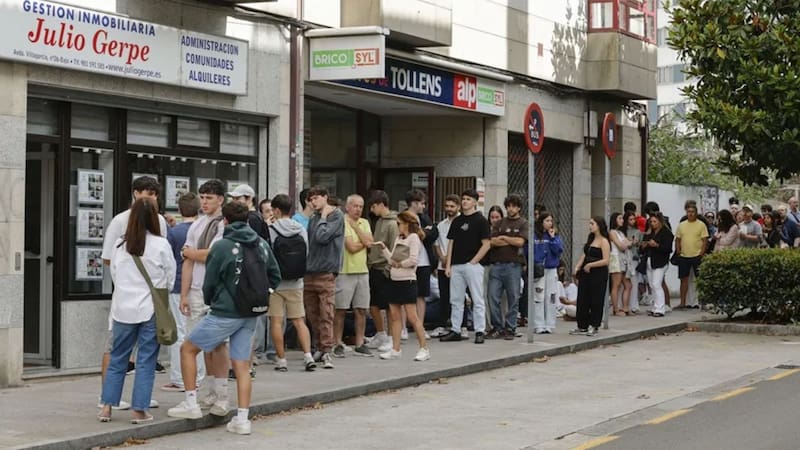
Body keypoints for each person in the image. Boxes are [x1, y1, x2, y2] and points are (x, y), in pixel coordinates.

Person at [167, 202, 281, 435]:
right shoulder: (260, 243)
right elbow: (275, 275)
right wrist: (262, 293)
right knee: (241, 365)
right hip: (251, 312)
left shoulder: (221, 245)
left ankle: (191, 403)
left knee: (188, 349)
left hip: (225, 312)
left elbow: (210, 282)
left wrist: (213, 299)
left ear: (225, 221)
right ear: (248, 219)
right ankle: (242, 419)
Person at [98, 198, 175, 424]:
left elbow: (114, 273)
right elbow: (170, 278)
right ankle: (139, 409)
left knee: (117, 358)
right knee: (146, 359)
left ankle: (106, 407)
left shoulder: (120, 245)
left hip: (122, 308)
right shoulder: (160, 245)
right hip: (150, 308)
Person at [180, 179, 229, 414]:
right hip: (197, 291)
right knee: (200, 343)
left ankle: (222, 395)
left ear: (220, 199)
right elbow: (188, 259)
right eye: (202, 197)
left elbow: (215, 254)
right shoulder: (197, 225)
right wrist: (184, 294)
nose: (205, 201)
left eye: (209, 197)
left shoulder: (224, 224)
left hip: (217, 291)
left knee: (218, 344)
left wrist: (192, 253)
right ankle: (208, 391)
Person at [268, 194, 317, 371]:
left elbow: (268, 255)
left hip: (276, 283)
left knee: (276, 322)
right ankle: (308, 356)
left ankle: (281, 360)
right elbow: (306, 252)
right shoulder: (300, 228)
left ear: (277, 210)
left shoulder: (271, 229)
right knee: (298, 321)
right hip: (297, 282)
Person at [373, 211, 430, 361]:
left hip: (407, 281)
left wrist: (400, 264)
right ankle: (395, 349)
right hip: (394, 280)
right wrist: (383, 248)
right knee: (395, 316)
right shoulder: (399, 238)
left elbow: (413, 260)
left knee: (412, 317)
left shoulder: (414, 238)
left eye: (399, 223)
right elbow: (391, 259)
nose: (397, 226)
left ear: (406, 224)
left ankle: (424, 348)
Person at [162, 193, 205, 393]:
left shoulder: (174, 233)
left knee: (179, 332)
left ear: (179, 210)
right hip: (199, 285)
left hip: (178, 285)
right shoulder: (204, 229)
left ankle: (179, 377)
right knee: (198, 332)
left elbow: (168, 261)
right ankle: (200, 375)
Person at [440, 189, 491, 344]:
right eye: (463, 199)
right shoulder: (457, 221)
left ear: (475, 202)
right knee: (456, 299)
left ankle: (480, 330)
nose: (464, 202)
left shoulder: (481, 220)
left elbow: (486, 244)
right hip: (456, 265)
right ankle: (456, 329)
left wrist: (474, 261)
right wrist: (448, 265)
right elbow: (451, 243)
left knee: (477, 298)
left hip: (473, 266)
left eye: (468, 199)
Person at [229, 184, 269, 376]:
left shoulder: (251, 219)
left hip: (250, 277)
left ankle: (247, 365)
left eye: (238, 199)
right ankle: (246, 365)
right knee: (249, 325)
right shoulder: (257, 218)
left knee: (249, 325)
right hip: (255, 277)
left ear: (249, 199)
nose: (234, 202)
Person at [304, 186, 345, 369]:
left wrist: (322, 218)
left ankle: (327, 349)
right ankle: (319, 346)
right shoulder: (312, 218)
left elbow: (322, 237)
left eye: (316, 198)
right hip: (310, 271)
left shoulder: (335, 216)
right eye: (310, 199)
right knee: (312, 314)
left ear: (325, 197)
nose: (313, 202)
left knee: (326, 312)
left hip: (326, 271)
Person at [333, 194, 373, 357]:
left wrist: (357, 229)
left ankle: (360, 342)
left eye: (361, 206)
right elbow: (351, 246)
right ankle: (337, 343)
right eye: (355, 206)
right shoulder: (341, 221)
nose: (358, 209)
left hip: (362, 271)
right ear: (347, 207)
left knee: (361, 309)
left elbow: (370, 242)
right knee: (340, 309)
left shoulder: (364, 223)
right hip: (345, 271)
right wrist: (363, 242)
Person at [487, 197, 528, 338]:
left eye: (513, 206)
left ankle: (510, 327)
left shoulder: (523, 223)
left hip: (513, 265)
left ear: (519, 208)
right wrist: (509, 240)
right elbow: (491, 242)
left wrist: (504, 238)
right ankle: (497, 326)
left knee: (513, 297)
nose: (510, 209)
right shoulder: (499, 223)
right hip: (496, 265)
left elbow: (520, 242)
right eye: (508, 206)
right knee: (492, 297)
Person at [366, 190, 398, 351]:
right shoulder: (378, 222)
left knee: (389, 306)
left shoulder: (393, 224)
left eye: (373, 206)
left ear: (380, 204)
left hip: (385, 268)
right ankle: (380, 334)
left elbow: (394, 248)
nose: (372, 210)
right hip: (373, 267)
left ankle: (392, 338)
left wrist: (388, 268)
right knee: (373, 304)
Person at [404, 189, 439, 339]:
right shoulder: (403, 218)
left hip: (423, 261)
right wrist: (421, 232)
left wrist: (423, 232)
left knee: (421, 295)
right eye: (421, 203)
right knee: (405, 296)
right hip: (407, 261)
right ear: (414, 203)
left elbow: (432, 233)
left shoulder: (424, 218)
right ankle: (403, 328)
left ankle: (420, 326)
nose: (423, 207)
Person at [570, 217, 610, 336]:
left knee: (596, 299)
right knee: (583, 298)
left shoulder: (604, 241)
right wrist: (577, 266)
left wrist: (591, 265)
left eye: (592, 224)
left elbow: (606, 260)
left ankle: (594, 325)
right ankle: (582, 325)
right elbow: (584, 254)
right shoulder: (590, 239)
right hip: (586, 273)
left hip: (598, 274)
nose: (590, 226)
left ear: (599, 225)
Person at [431, 195, 461, 334]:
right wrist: (442, 258)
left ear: (458, 207)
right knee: (444, 296)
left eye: (452, 206)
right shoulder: (441, 225)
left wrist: (450, 259)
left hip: (458, 265)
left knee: (458, 297)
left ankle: (461, 325)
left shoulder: (462, 223)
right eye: (447, 206)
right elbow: (437, 244)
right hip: (442, 266)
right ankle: (442, 325)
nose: (449, 209)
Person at [531, 211, 562, 334]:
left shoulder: (554, 236)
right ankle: (538, 324)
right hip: (539, 269)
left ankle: (550, 323)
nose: (549, 223)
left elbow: (558, 250)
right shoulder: (535, 235)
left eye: (551, 221)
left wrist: (553, 237)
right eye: (547, 221)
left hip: (551, 269)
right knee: (539, 295)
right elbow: (530, 251)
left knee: (551, 296)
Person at [674, 200, 708, 310]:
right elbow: (678, 239)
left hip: (697, 255)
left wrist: (701, 253)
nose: (690, 214)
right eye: (689, 212)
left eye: (693, 212)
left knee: (700, 279)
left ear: (696, 213)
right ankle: (683, 302)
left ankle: (702, 302)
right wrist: (678, 251)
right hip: (684, 256)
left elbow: (705, 240)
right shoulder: (681, 225)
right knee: (683, 279)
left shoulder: (701, 225)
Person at [641, 213, 674, 317]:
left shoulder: (666, 233)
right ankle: (655, 306)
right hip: (649, 260)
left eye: (655, 221)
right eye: (651, 222)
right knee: (651, 284)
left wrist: (656, 245)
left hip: (660, 261)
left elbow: (668, 249)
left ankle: (660, 308)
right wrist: (645, 244)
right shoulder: (650, 232)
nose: (652, 224)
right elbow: (643, 246)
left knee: (656, 284)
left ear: (660, 221)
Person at [608, 212, 633, 316]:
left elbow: (629, 243)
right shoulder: (612, 232)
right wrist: (628, 243)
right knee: (616, 285)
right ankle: (616, 309)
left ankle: (625, 307)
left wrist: (628, 243)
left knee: (628, 284)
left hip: (624, 260)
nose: (622, 220)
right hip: (616, 259)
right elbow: (621, 246)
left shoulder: (621, 233)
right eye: (620, 218)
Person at [622, 211, 642, 314]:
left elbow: (639, 245)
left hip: (634, 258)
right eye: (630, 219)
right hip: (624, 259)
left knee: (634, 282)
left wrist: (636, 243)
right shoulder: (622, 231)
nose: (632, 221)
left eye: (634, 219)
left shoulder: (637, 231)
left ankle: (634, 305)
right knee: (625, 283)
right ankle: (624, 304)